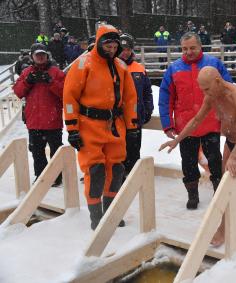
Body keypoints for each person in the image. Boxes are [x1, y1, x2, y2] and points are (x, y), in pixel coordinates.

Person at [159, 66, 236, 247]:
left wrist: (234, 157)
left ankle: (222, 229)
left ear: (218, 82)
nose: (204, 93)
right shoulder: (212, 97)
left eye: (206, 88)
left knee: (227, 188)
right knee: (225, 185)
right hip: (230, 141)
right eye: (202, 89)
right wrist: (177, 140)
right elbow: (196, 120)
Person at [63, 24, 138, 230]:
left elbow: (130, 99)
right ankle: (96, 217)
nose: (112, 50)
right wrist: (72, 128)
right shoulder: (82, 65)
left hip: (114, 125)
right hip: (89, 125)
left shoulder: (121, 67)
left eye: (115, 47)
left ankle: (110, 212)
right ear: (99, 43)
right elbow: (69, 98)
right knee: (95, 172)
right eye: (109, 46)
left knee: (115, 170)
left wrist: (132, 126)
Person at [158, 32, 232, 210]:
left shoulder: (213, 64)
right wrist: (167, 123)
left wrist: (228, 117)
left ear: (200, 46)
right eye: (184, 49)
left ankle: (218, 193)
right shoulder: (174, 68)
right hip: (185, 125)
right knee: (188, 163)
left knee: (215, 160)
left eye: (192, 48)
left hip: (211, 122)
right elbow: (165, 97)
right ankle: (192, 195)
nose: (188, 52)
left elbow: (228, 89)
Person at [13, 43, 65, 187]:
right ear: (32, 57)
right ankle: (40, 176)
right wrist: (28, 82)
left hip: (53, 121)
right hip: (34, 121)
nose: (40, 57)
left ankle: (56, 177)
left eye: (43, 54)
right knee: (37, 152)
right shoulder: (26, 73)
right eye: (37, 55)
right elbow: (18, 92)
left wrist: (51, 82)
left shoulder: (56, 72)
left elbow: (65, 92)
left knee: (56, 151)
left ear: (47, 56)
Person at [119, 33, 154, 177]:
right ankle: (119, 180)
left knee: (134, 151)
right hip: (118, 119)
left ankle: (133, 178)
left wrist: (148, 110)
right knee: (118, 152)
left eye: (128, 49)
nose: (125, 52)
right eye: (122, 49)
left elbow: (147, 92)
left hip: (135, 118)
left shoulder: (139, 68)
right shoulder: (112, 67)